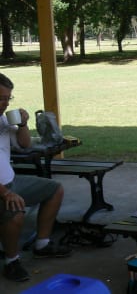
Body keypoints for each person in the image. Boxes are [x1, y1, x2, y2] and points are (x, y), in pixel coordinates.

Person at [0, 73, 72, 282]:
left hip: (11, 183)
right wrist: (6, 193)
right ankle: (11, 261)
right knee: (16, 211)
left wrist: (22, 124)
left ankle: (42, 244)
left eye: (8, 98)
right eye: (0, 98)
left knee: (54, 189)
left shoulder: (3, 120)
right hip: (4, 190)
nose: (4, 103)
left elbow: (25, 145)